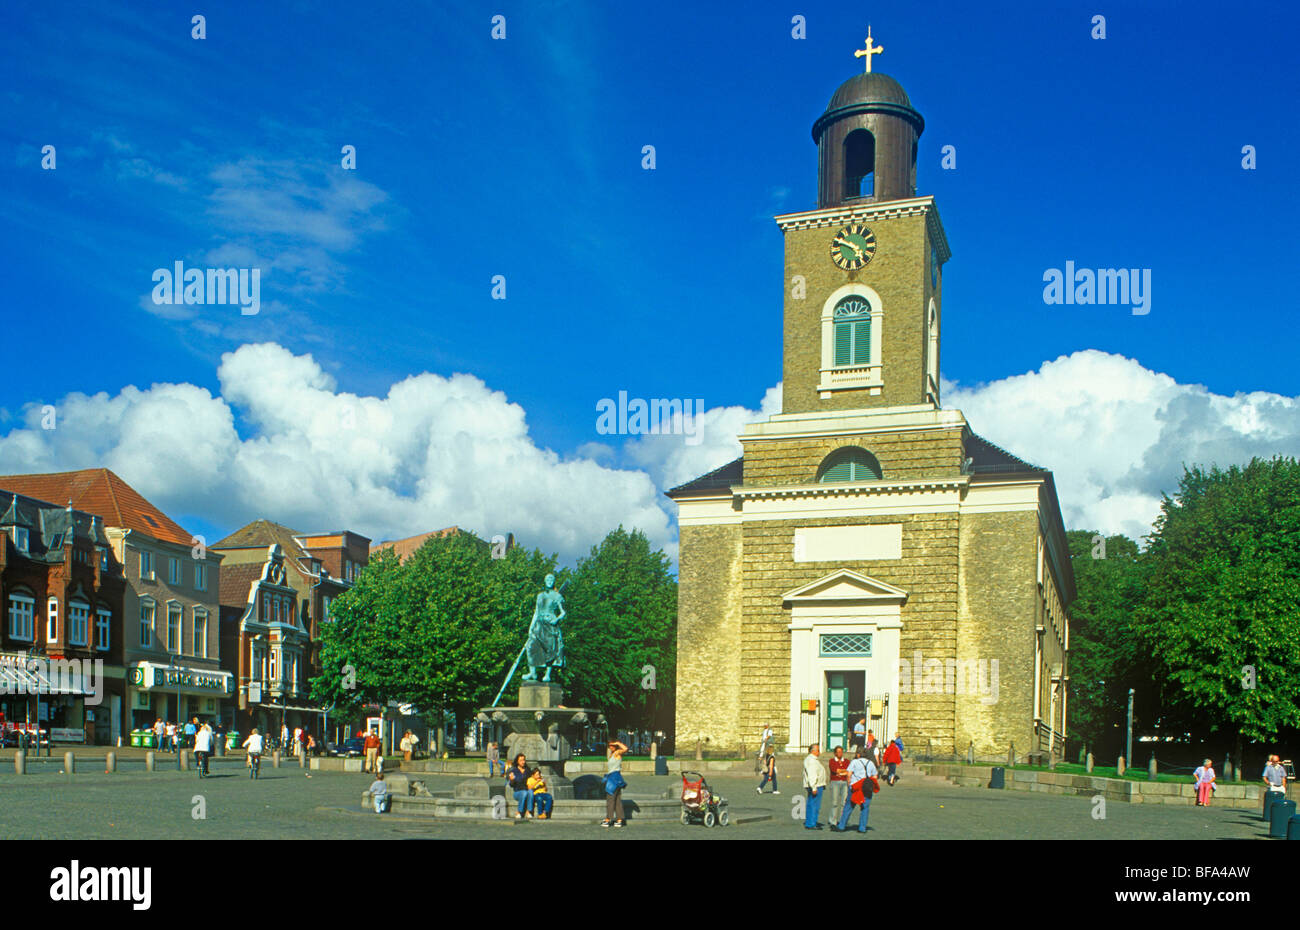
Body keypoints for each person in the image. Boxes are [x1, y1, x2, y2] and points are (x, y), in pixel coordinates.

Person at [833, 748, 879, 834]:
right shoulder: (871, 763)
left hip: (856, 786)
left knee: (849, 806)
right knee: (865, 808)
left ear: (858, 754)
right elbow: (875, 776)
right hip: (867, 787)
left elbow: (849, 774)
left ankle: (842, 825)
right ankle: (862, 827)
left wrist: (849, 784)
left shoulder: (854, 762)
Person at [602, 739, 628, 828]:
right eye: (609, 745)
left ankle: (608, 819)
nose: (611, 747)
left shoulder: (617, 753)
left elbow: (625, 749)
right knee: (617, 800)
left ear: (616, 746)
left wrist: (618, 743)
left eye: (612, 745)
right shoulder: (612, 754)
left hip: (614, 779)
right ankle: (619, 819)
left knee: (610, 799)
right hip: (614, 778)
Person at [802, 743, 826, 830]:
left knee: (811, 804)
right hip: (815, 785)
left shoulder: (811, 759)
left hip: (814, 785)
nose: (819, 752)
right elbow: (812, 774)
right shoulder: (812, 761)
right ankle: (811, 823)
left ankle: (810, 822)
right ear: (813, 751)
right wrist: (814, 787)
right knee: (814, 805)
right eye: (818, 750)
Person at [826, 745, 850, 823]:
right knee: (834, 802)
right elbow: (834, 770)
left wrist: (841, 772)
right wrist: (842, 771)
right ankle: (833, 820)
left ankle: (842, 820)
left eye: (841, 752)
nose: (840, 753)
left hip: (845, 782)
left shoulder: (846, 761)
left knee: (844, 802)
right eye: (838, 752)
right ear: (835, 753)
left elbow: (847, 771)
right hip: (835, 782)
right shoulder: (832, 761)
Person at [507, 753, 533, 820]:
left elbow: (531, 780)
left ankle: (528, 811)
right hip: (517, 792)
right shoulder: (514, 771)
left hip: (527, 790)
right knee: (524, 792)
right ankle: (519, 812)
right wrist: (511, 780)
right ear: (517, 761)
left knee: (530, 792)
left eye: (524, 760)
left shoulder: (528, 770)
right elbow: (511, 785)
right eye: (521, 760)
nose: (523, 762)